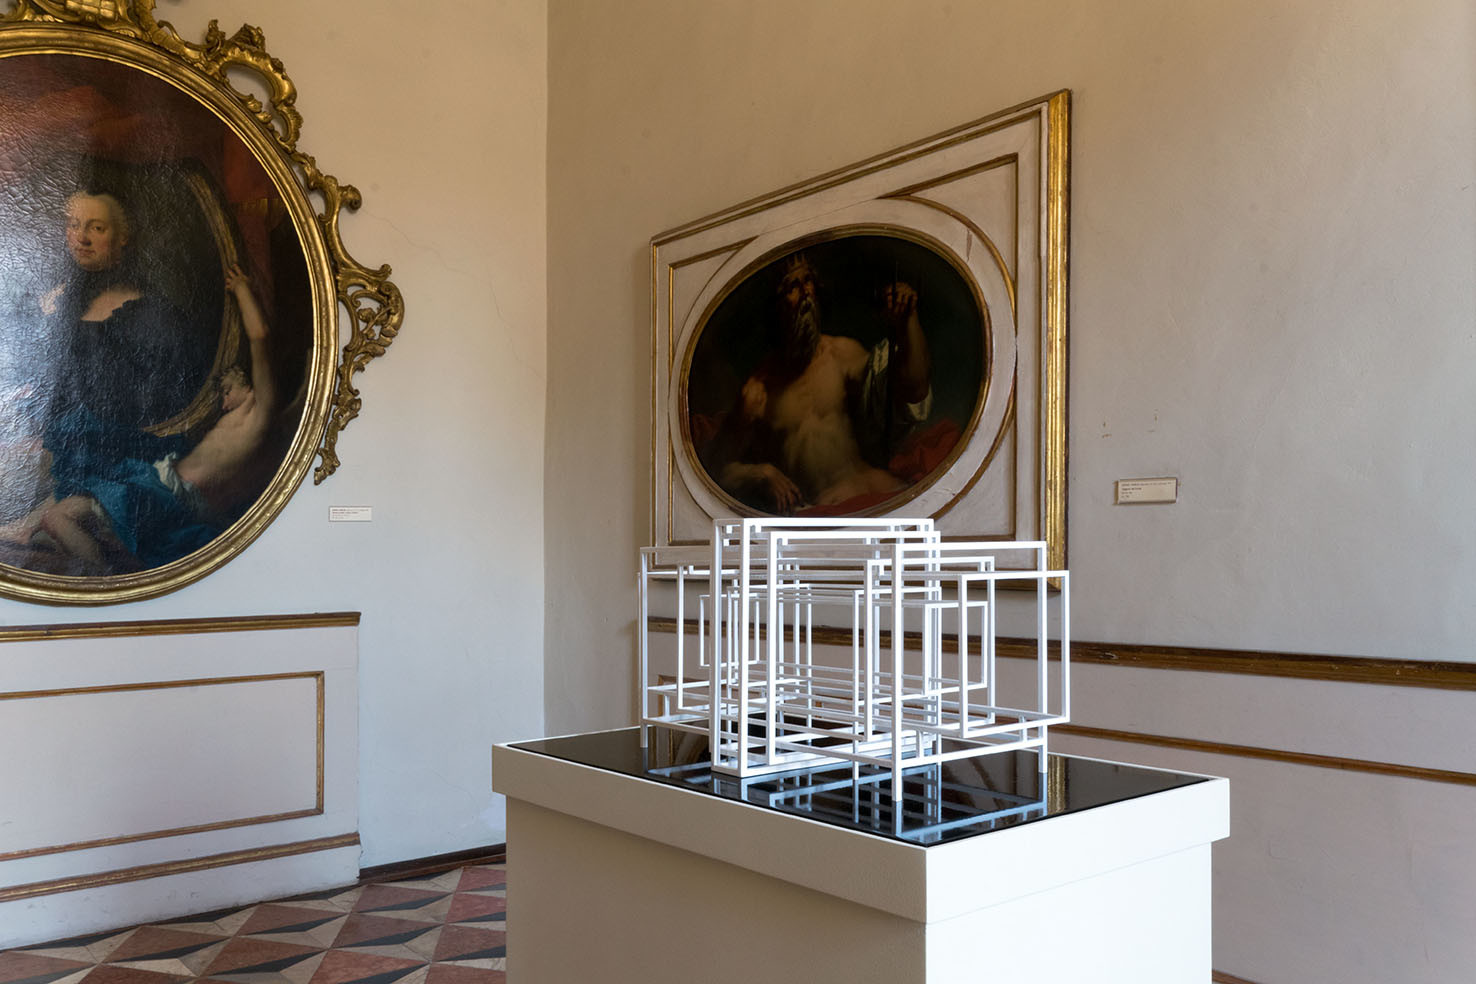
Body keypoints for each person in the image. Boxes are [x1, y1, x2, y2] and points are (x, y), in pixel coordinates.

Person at [15, 265, 275, 573]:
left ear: (250, 385)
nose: (224, 399)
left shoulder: (260, 415)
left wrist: (242, 289)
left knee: (58, 518)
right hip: (155, 480)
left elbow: (259, 337)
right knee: (65, 505)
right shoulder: (236, 419)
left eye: (229, 389)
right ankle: (31, 533)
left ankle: (105, 582)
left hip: (166, 493)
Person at [704, 253, 933, 513]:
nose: (805, 292)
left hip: (875, 489)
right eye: (792, 286)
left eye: (808, 281)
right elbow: (718, 469)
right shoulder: (759, 389)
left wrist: (908, 320)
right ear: (777, 307)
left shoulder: (841, 353)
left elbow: (915, 388)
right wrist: (762, 473)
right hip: (823, 512)